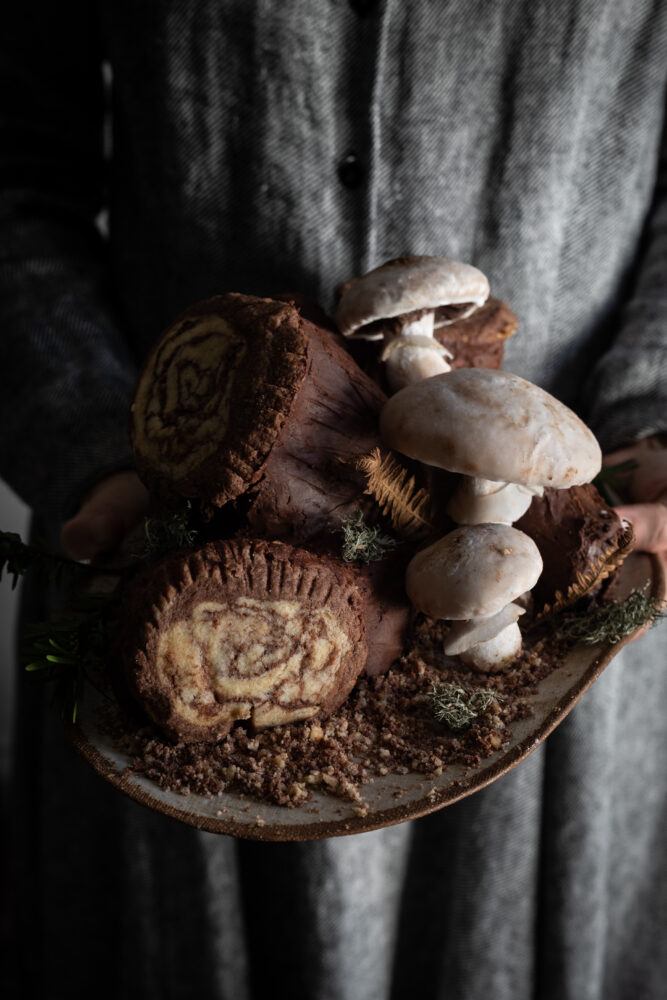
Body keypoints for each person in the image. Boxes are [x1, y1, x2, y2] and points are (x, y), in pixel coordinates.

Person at [2, 3, 666, 998]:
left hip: (552, 593)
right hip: (177, 570)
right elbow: (13, 177)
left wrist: (658, 424)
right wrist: (99, 442)